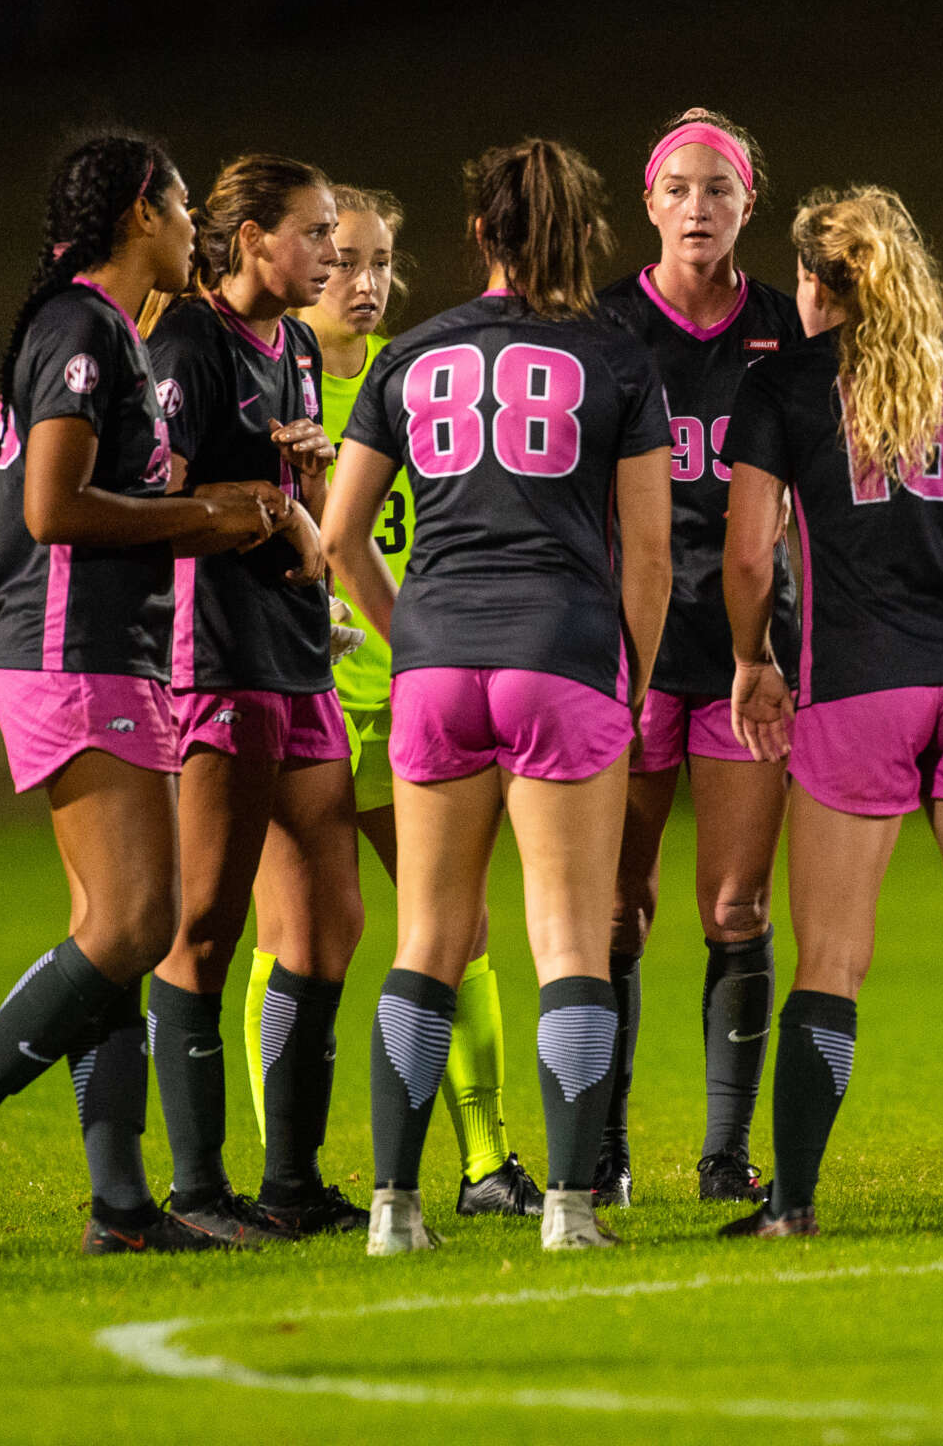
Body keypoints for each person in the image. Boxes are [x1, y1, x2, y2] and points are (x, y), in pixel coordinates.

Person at [0, 132, 281, 1257]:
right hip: (69, 648)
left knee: (114, 927)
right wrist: (203, 519)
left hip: (118, 650)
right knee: (133, 923)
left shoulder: (116, 334)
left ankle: (120, 1206)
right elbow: (55, 509)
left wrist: (217, 505)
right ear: (137, 213)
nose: (192, 223)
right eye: (178, 202)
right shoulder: (77, 329)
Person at [324, 138, 672, 1254]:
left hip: (432, 666)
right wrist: (632, 677)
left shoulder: (407, 355)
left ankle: (392, 1206)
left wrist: (410, 634)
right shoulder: (618, 359)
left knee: (425, 936)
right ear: (584, 230)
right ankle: (568, 1208)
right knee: (568, 937)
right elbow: (652, 561)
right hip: (561, 653)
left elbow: (338, 534)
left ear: (480, 232)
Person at [717, 184, 943, 1238]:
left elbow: (745, 553)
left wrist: (751, 656)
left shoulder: (780, 382)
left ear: (818, 284)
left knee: (831, 959)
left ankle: (790, 1203)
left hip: (859, 684)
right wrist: (942, 569)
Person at [248, 185, 545, 1218]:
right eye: (342, 259)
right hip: (309, 691)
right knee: (295, 930)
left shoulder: (423, 378)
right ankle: (287, 1171)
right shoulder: (269, 377)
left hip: (416, 688)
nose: (363, 282)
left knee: (460, 928)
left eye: (379, 262)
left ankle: (486, 1161)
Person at [144, 155, 365, 1243]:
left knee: (331, 922)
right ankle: (195, 1189)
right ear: (249, 241)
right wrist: (261, 505)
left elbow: (305, 522)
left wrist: (308, 489)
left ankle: (289, 1183)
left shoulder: (297, 350)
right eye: (316, 232)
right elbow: (148, 497)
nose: (331, 251)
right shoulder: (187, 339)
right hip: (217, 658)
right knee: (203, 926)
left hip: (296, 653)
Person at [596, 108, 806, 1207]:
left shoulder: (788, 325)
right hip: (628, 648)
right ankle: (605, 1147)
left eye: (716, 189)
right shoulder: (601, 327)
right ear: (648, 204)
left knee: (735, 907)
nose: (696, 207)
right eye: (676, 188)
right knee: (615, 908)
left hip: (751, 653)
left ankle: (726, 1153)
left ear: (746, 206)